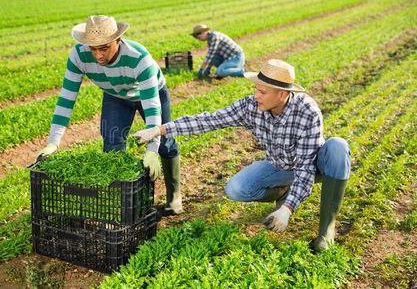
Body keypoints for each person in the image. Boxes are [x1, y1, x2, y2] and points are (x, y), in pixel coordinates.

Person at [134, 59, 351, 251]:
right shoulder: (250, 106)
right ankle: (283, 192)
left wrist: (287, 210)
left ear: (283, 94)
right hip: (280, 166)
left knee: (337, 148)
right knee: (236, 188)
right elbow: (209, 120)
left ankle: (326, 231)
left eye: (263, 92)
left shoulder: (307, 112)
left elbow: (305, 169)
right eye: (256, 89)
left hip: (313, 166)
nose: (256, 96)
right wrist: (160, 130)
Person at [37, 15, 183, 215]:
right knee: (112, 142)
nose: (98, 55)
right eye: (93, 48)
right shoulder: (78, 56)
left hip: (150, 94)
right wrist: (53, 142)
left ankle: (174, 197)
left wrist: (151, 149)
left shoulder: (139, 58)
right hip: (115, 95)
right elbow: (66, 99)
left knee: (165, 143)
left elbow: (152, 107)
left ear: (118, 40)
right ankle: (123, 206)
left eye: (104, 48)